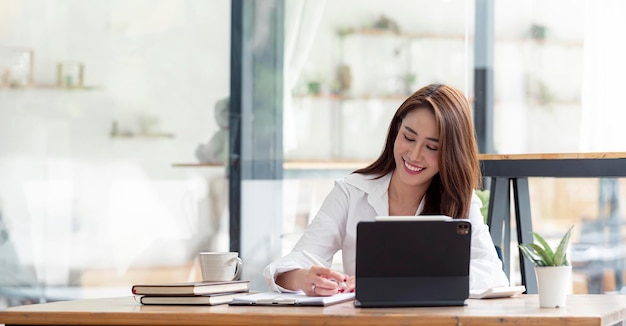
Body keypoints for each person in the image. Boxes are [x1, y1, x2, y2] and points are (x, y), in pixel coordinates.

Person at [263, 83, 510, 296]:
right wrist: (305, 278)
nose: (414, 155)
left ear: (450, 154)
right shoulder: (351, 192)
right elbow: (290, 265)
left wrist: (405, 281)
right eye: (409, 138)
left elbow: (492, 275)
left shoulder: (459, 200)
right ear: (396, 130)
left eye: (432, 148)